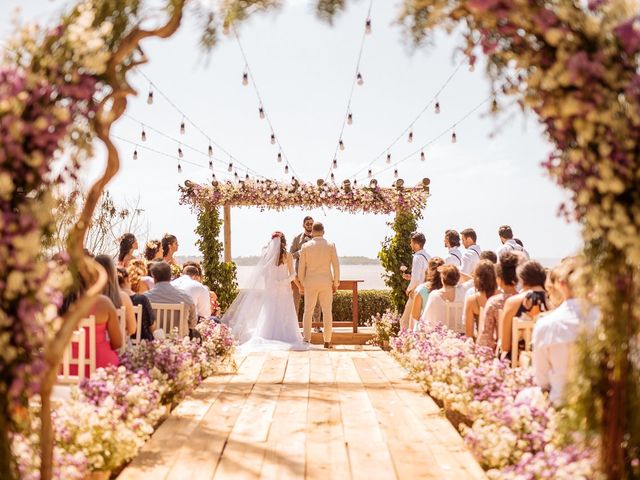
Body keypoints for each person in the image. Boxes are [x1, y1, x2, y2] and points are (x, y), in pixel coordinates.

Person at [223, 232, 308, 351]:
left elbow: (264, 274)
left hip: (271, 290)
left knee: (270, 312)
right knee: (284, 312)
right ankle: (286, 337)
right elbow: (293, 275)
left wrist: (273, 283)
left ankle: (267, 335)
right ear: (284, 242)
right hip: (284, 290)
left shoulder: (267, 256)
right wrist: (283, 282)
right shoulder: (288, 255)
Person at [532, 257, 597, 406]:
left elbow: (542, 380)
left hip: (561, 404)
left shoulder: (546, 324)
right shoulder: (607, 321)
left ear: (561, 285)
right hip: (602, 409)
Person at [60, 275, 122, 376]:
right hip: (101, 367)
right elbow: (118, 343)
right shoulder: (103, 303)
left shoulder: (58, 304)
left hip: (65, 367)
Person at [298, 223, 340, 348]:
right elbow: (336, 266)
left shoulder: (305, 246)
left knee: (308, 311)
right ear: (323, 231)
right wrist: (336, 283)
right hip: (326, 282)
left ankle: (306, 340)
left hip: (310, 282)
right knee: (327, 311)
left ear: (312, 232)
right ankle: (327, 341)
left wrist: (302, 282)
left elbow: (301, 268)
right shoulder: (330, 245)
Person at [500, 260, 549, 358]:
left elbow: (505, 346)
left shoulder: (513, 302)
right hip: (547, 358)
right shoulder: (553, 302)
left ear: (522, 279)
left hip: (519, 359)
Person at [477, 252, 520, 351]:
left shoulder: (494, 303)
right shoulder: (526, 300)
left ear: (498, 280)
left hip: (502, 355)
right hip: (523, 356)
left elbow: (486, 339)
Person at [144, 261, 197, 337]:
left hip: (153, 343)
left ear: (153, 276)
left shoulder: (145, 298)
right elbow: (192, 324)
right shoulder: (185, 297)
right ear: (170, 276)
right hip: (179, 343)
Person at [95, 254, 136, 336]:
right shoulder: (123, 297)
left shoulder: (86, 299)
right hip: (117, 346)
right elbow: (132, 329)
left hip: (89, 345)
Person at [290, 216, 321, 322]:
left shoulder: (318, 238)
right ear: (303, 225)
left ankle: (317, 325)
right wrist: (300, 252)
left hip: (314, 274)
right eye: (307, 223)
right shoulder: (296, 238)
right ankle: (294, 326)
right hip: (299, 276)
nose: (309, 225)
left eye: (311, 223)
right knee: (295, 302)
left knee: (316, 302)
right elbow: (290, 256)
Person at [400, 232, 431, 330]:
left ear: (416, 244)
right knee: (420, 320)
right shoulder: (428, 256)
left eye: (411, 243)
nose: (410, 245)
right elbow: (422, 275)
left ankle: (404, 343)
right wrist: (411, 277)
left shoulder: (417, 257)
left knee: (405, 320)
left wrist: (409, 289)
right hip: (427, 291)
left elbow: (417, 278)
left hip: (416, 291)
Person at [117, 267, 156, 341]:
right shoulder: (141, 299)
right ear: (127, 279)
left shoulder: (110, 300)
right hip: (142, 343)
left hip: (120, 342)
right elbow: (152, 326)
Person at [464, 260, 498, 339]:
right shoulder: (502, 297)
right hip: (500, 345)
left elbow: (469, 334)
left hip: (482, 345)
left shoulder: (472, 300)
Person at [410, 257, 445, 330]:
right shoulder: (449, 289)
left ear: (429, 270)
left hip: (425, 330)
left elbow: (415, 316)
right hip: (444, 330)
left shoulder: (421, 289)